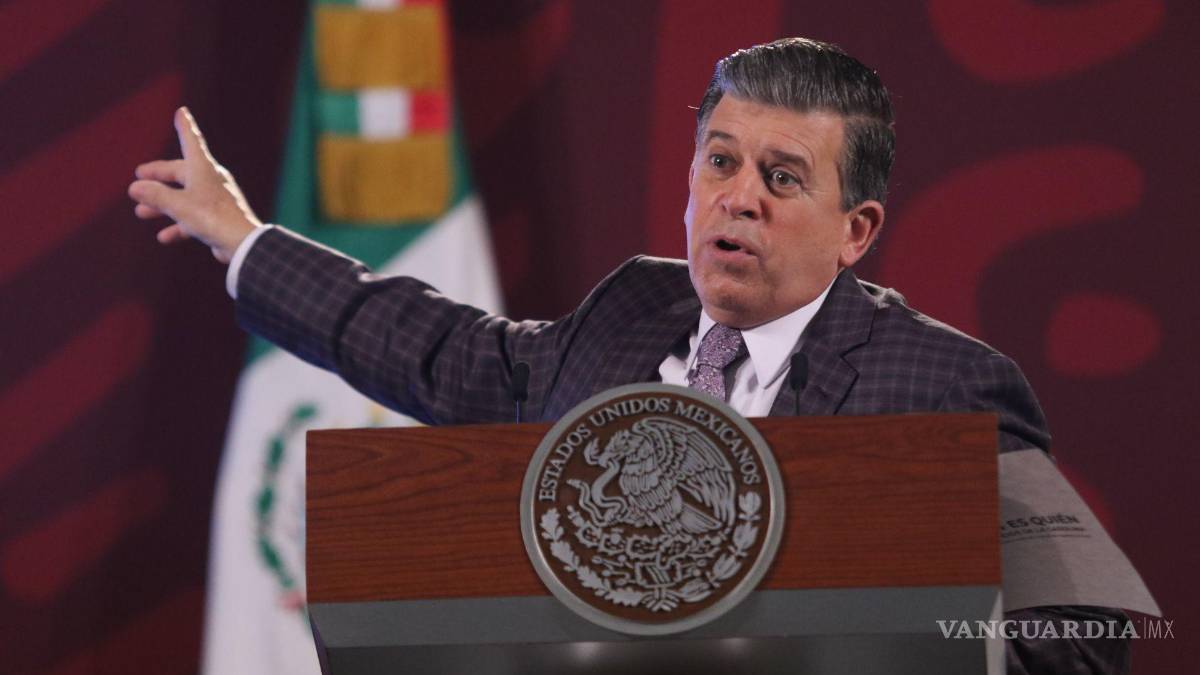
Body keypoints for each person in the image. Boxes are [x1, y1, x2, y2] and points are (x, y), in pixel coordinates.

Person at [128, 37, 1128, 674]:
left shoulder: (950, 387)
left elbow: (1084, 636)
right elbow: (430, 344)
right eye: (721, 160)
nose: (739, 197)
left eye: (783, 177)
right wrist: (244, 239)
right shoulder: (626, 314)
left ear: (856, 229)